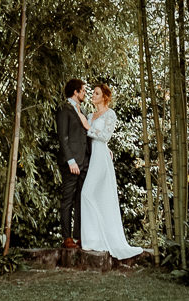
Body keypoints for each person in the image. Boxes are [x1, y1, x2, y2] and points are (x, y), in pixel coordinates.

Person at [78, 83, 145, 259]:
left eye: (97, 93)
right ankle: (93, 239)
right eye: (92, 93)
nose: (93, 95)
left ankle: (99, 239)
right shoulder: (91, 114)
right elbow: (88, 137)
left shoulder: (110, 114)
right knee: (93, 196)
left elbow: (105, 136)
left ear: (105, 97)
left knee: (87, 193)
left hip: (101, 158)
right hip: (93, 156)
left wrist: (88, 128)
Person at [56, 77, 91, 249]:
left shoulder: (82, 109)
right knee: (68, 200)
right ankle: (66, 237)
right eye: (83, 90)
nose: (85, 93)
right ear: (75, 92)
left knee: (81, 200)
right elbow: (63, 138)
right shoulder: (64, 109)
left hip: (84, 161)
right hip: (71, 163)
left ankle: (78, 236)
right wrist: (71, 160)